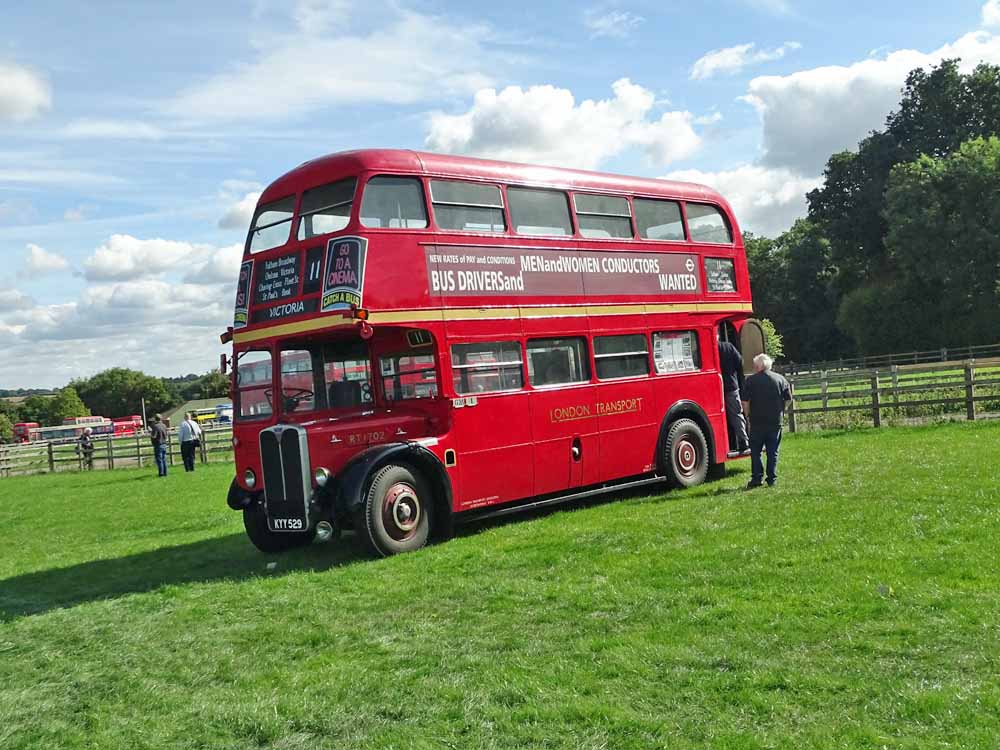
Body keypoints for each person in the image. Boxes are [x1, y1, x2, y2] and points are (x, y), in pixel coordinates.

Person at [741, 353, 791, 489]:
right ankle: (772, 479)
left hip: (757, 421)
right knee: (772, 451)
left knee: (756, 452)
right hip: (775, 421)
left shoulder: (750, 381)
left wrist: (747, 416)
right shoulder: (781, 379)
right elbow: (788, 399)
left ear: (758, 366)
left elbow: (745, 401)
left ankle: (756, 478)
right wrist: (781, 411)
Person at [718, 337, 749, 452]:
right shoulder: (728, 347)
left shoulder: (707, 347)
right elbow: (740, 362)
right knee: (736, 414)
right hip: (731, 385)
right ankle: (743, 440)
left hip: (714, 387)